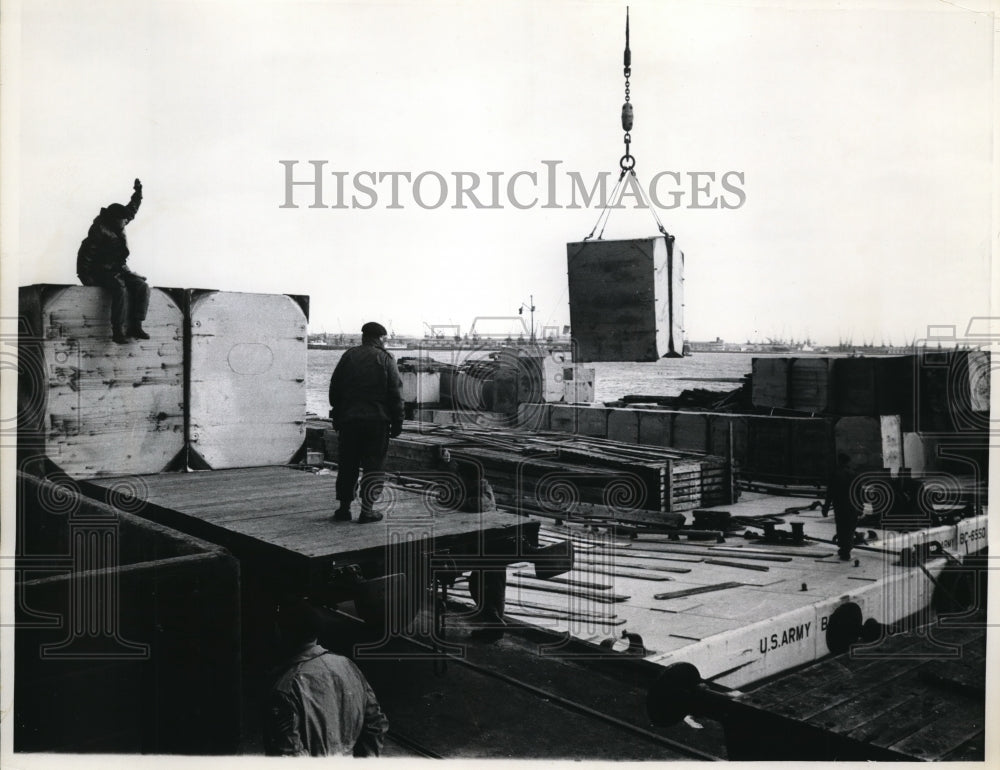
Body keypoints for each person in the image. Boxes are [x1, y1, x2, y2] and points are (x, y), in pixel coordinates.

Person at [263, 598, 389, 757]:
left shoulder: (285, 689)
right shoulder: (347, 665)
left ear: (282, 634)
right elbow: (376, 724)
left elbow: (288, 756)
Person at [329, 322, 405, 523]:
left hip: (349, 421)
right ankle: (367, 510)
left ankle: (344, 509)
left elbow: (335, 388)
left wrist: (337, 415)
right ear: (380, 338)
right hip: (376, 422)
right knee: (374, 465)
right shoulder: (386, 358)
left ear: (363, 337)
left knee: (348, 464)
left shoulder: (348, 356)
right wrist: (398, 421)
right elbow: (395, 393)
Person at [435, 447, 507, 642]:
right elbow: (446, 496)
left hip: (489, 547)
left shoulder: (483, 490)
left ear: (467, 478)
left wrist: (456, 501)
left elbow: (481, 504)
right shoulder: (467, 487)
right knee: (482, 584)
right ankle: (493, 620)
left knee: (486, 585)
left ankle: (494, 622)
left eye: (460, 476)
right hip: (483, 546)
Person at [77, 179, 150, 344]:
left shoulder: (119, 221)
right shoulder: (99, 230)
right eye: (123, 220)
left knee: (142, 286)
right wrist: (85, 278)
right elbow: (85, 253)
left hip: (120, 268)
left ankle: (136, 325)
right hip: (102, 271)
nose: (126, 222)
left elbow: (132, 209)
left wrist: (138, 192)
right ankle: (117, 330)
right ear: (114, 219)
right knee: (120, 289)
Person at [822, 453, 862, 561]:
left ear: (839, 462)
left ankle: (844, 549)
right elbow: (859, 492)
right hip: (852, 506)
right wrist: (861, 507)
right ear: (848, 462)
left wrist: (826, 507)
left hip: (840, 506)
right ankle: (847, 549)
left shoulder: (835, 474)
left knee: (841, 528)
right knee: (850, 528)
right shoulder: (854, 474)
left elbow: (830, 493)